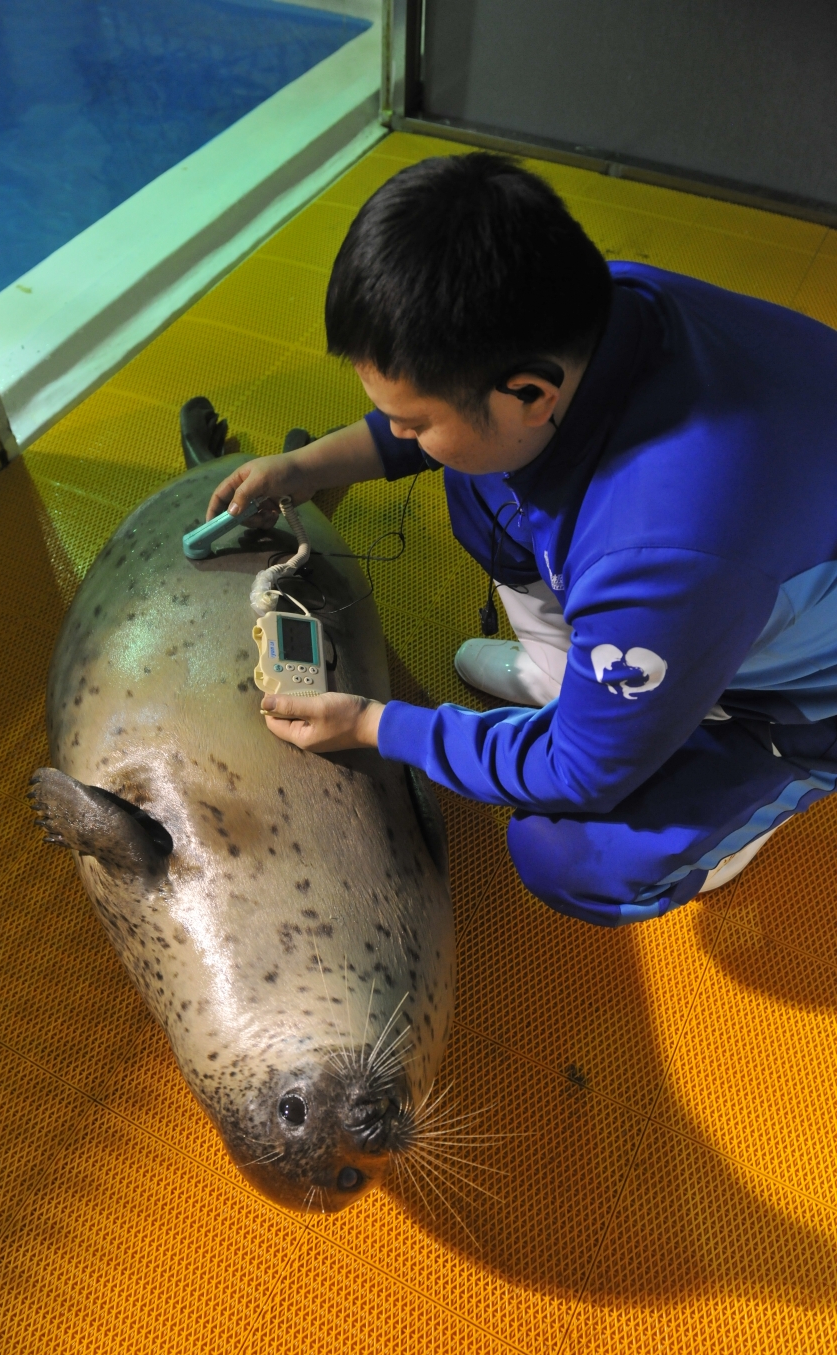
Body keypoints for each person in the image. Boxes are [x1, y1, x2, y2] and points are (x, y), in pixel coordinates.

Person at [205, 153, 837, 927]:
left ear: (531, 392)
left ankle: (741, 808)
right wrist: (308, 467)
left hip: (799, 705)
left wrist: (376, 724)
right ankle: (576, 679)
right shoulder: (600, 304)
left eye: (411, 422)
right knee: (477, 476)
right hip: (733, 581)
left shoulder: (657, 553)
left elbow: (583, 774)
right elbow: (451, 406)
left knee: (565, 856)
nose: (398, 435)